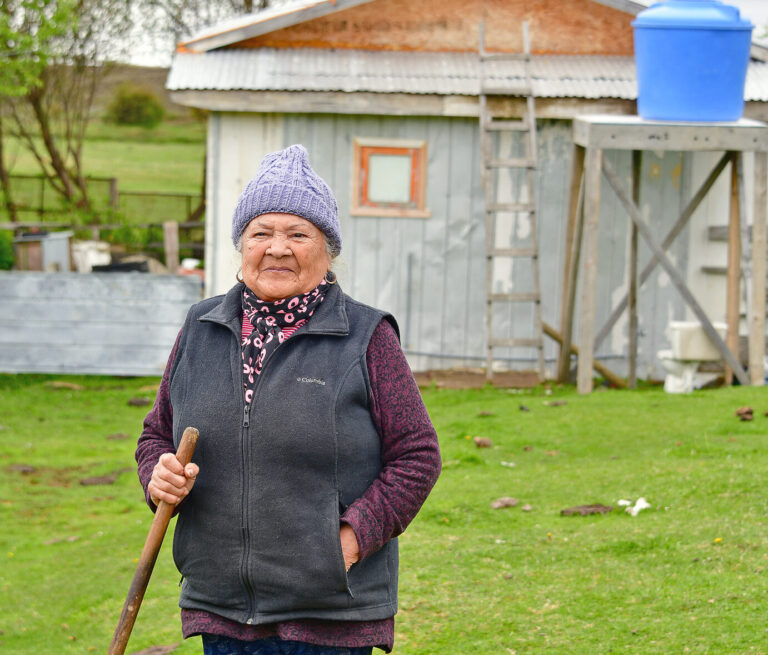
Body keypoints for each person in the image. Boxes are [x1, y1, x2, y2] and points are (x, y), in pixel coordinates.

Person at [135, 144, 442, 655]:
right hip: (222, 606)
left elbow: (417, 455)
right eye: (261, 233)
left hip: (327, 610)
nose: (277, 248)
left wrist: (349, 540)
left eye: (298, 233)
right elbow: (156, 435)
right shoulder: (201, 327)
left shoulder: (366, 336)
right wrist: (157, 474)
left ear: (327, 249)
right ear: (242, 245)